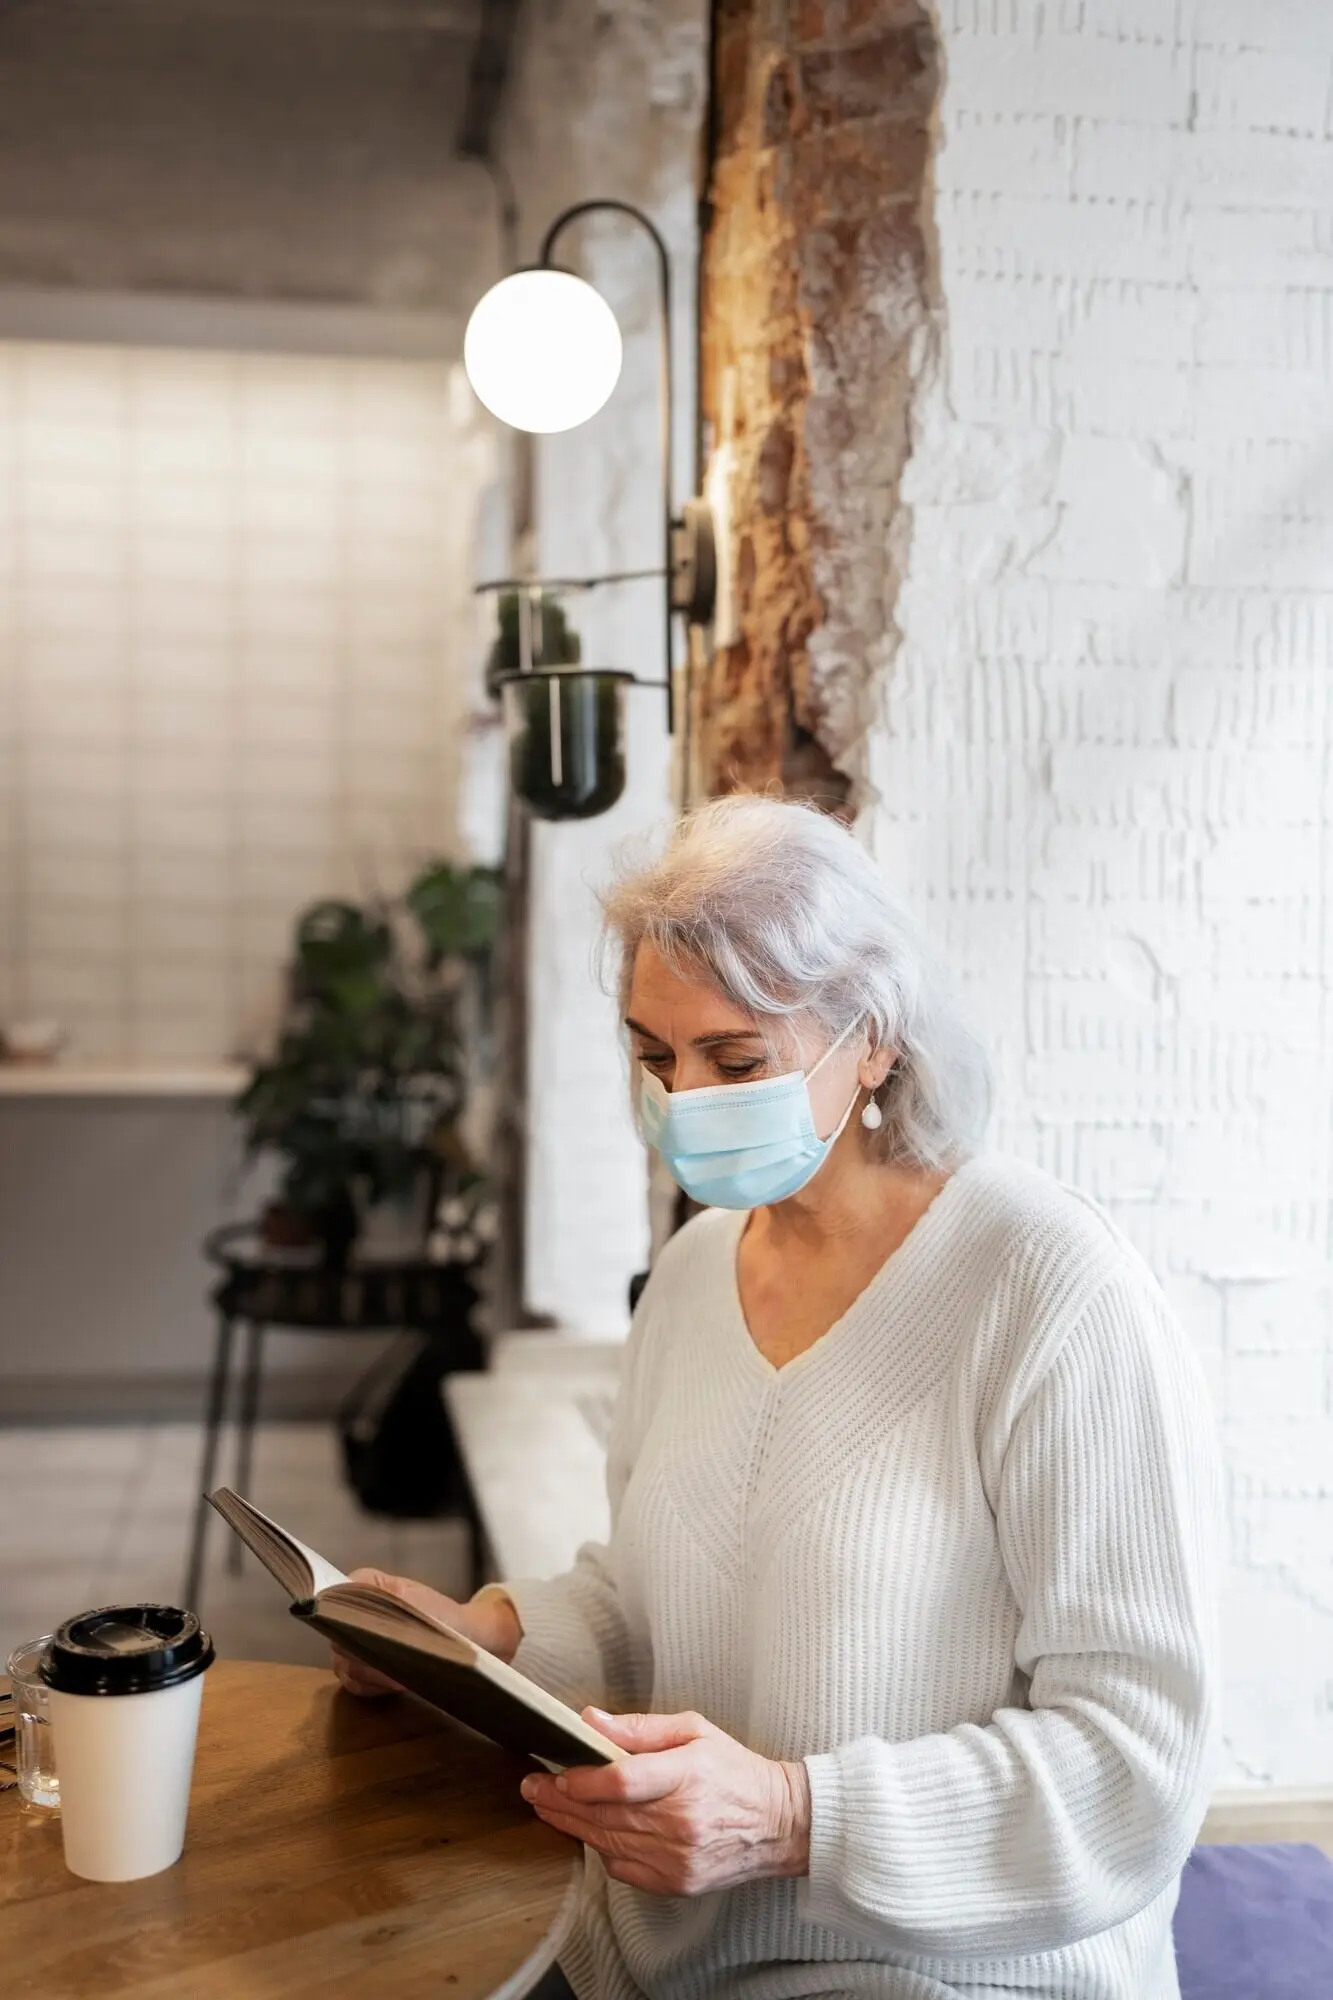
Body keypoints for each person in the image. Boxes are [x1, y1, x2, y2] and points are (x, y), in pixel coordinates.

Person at [333, 795, 1220, 2000]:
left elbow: (1136, 1761)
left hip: (949, 1972)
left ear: (874, 1038)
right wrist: (482, 1637)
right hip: (655, 1944)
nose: (685, 1099)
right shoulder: (695, 1271)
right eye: (655, 1057)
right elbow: (647, 1606)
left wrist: (797, 1814)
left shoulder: (1051, 1292)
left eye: (736, 1059)